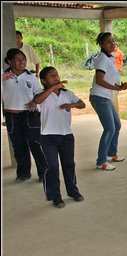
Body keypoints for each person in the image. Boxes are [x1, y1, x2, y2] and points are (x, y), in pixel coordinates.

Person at [32, 67, 86, 208]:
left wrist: (72, 105)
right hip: (48, 136)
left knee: (69, 165)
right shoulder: (41, 94)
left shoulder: (67, 93)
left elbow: (82, 104)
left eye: (56, 75)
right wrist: (53, 88)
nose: (56, 77)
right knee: (52, 167)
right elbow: (37, 101)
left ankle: (73, 191)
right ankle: (55, 196)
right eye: (51, 76)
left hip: (66, 135)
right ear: (43, 81)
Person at [2, 48, 47, 182]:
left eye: (24, 59)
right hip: (11, 115)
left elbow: (39, 93)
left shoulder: (30, 77)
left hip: (30, 115)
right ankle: (23, 172)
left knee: (35, 143)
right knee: (18, 144)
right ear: (9, 61)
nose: (22, 62)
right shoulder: (3, 75)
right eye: (18, 59)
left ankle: (43, 172)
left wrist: (35, 101)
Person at [89, 32, 127, 171]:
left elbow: (108, 78)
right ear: (101, 44)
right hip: (99, 97)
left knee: (116, 125)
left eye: (113, 41)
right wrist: (116, 88)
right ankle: (101, 161)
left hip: (105, 96)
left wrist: (119, 86)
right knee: (109, 128)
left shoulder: (110, 57)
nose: (112, 44)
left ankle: (111, 154)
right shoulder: (102, 59)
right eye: (108, 42)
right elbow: (100, 80)